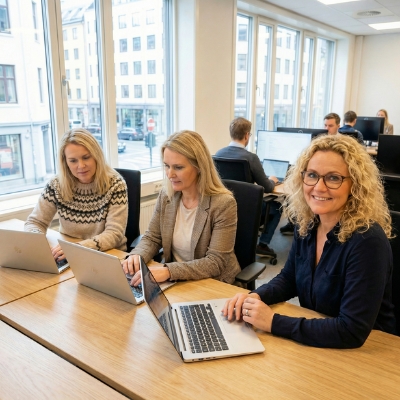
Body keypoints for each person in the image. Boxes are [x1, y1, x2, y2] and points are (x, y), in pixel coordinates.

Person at [223, 134, 396, 348]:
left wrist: (273, 322)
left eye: (333, 178)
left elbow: (351, 330)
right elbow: (289, 279)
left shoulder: (367, 240)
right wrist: (255, 297)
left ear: (356, 185)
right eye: (312, 175)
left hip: (371, 354)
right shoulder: (308, 224)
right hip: (321, 340)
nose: (319, 187)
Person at [123, 130, 240, 286]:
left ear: (199, 166)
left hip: (212, 283)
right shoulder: (167, 196)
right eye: (166, 166)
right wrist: (137, 256)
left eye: (178, 167)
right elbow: (152, 237)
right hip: (175, 282)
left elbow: (215, 262)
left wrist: (168, 271)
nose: (170, 174)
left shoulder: (223, 204)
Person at [25, 128, 128, 261]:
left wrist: (78, 248)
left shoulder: (115, 184)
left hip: (107, 255)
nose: (81, 165)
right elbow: (35, 222)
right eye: (73, 161)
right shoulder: (56, 184)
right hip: (69, 254)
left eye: (86, 157)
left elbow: (114, 234)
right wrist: (38, 242)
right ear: (65, 162)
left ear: (96, 156)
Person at [214, 117, 281, 257]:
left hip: (223, 206)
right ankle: (263, 244)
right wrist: (272, 180)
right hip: (247, 208)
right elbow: (267, 187)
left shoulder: (218, 154)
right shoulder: (251, 158)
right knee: (276, 208)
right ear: (246, 135)